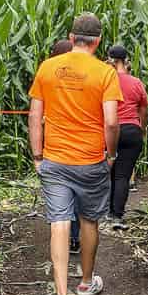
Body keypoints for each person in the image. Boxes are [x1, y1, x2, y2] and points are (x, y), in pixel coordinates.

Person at [28, 13, 122, 295]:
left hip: (55, 160)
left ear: (71, 38)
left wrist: (38, 155)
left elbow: (34, 115)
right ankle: (85, 283)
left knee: (58, 222)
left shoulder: (48, 67)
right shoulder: (105, 73)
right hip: (90, 161)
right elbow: (111, 121)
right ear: (98, 41)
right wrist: (110, 154)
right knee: (89, 221)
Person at [107, 45, 148, 227]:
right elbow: (143, 109)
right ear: (126, 60)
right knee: (122, 175)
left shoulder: (106, 81)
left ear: (110, 60)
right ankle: (117, 215)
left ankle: (106, 212)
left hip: (111, 130)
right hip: (132, 130)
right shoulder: (137, 83)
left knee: (108, 172)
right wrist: (143, 129)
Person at [48, 39, 82, 254]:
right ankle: (74, 238)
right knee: (77, 194)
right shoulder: (84, 76)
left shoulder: (47, 74)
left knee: (60, 194)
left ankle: (64, 238)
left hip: (55, 146)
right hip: (80, 147)